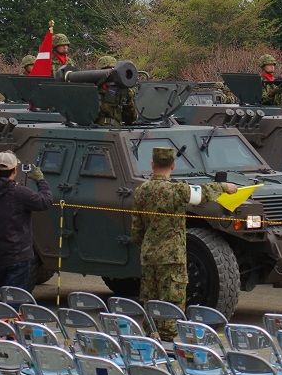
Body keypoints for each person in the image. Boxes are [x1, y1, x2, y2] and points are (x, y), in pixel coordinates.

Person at [131, 146, 236, 341]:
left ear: (152, 164)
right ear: (173, 166)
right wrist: (224, 187)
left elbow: (136, 229)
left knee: (150, 298)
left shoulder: (141, 191)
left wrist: (146, 247)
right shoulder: (177, 191)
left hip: (149, 256)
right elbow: (202, 193)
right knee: (172, 299)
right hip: (172, 257)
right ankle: (167, 341)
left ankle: (150, 337)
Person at [0, 151, 52, 291]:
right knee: (13, 298)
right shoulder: (21, 193)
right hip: (18, 256)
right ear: (15, 170)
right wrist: (41, 180)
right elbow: (45, 201)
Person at [95, 55, 136, 126]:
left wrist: (127, 98)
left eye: (111, 70)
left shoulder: (123, 90)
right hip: (101, 128)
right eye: (106, 71)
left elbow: (130, 118)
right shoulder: (94, 88)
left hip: (111, 129)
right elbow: (131, 118)